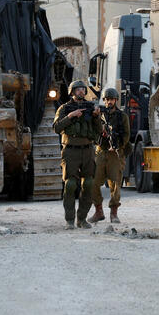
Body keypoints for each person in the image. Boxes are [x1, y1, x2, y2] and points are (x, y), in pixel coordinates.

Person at [53, 80, 101, 229]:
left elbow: (98, 130)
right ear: (72, 92)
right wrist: (71, 116)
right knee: (71, 184)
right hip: (70, 150)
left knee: (88, 184)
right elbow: (56, 127)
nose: (81, 91)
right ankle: (69, 220)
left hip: (87, 150)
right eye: (78, 89)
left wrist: (96, 117)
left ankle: (82, 219)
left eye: (82, 89)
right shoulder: (64, 108)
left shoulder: (91, 107)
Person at [88, 87, 130, 224]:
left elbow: (126, 135)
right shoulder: (100, 115)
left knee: (115, 184)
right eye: (107, 100)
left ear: (116, 100)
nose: (109, 102)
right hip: (101, 151)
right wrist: (100, 131)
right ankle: (98, 211)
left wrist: (117, 145)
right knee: (94, 183)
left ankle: (114, 213)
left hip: (115, 154)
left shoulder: (122, 116)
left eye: (112, 99)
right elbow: (93, 131)